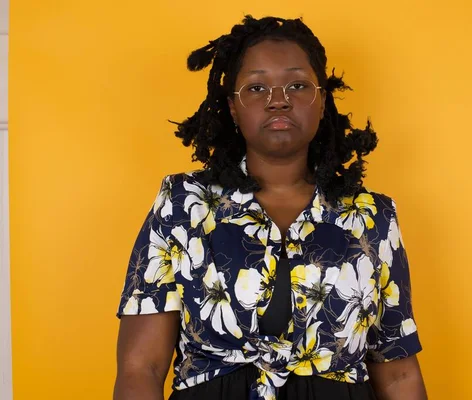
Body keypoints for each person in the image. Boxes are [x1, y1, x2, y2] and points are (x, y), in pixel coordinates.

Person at [113, 15, 427, 400]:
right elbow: (140, 368)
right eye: (257, 87)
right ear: (232, 107)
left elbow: (397, 375)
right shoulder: (183, 204)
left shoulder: (372, 217)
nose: (278, 100)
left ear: (322, 99)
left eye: (297, 85)